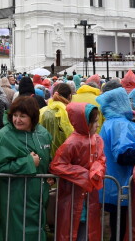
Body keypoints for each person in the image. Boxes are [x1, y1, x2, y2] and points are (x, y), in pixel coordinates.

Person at [96, 87, 135, 241]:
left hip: (116, 186)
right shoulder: (120, 124)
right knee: (123, 229)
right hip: (123, 186)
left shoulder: (112, 122)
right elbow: (123, 155)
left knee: (118, 227)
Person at [0, 96, 53, 241]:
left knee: (38, 228)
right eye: (15, 115)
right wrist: (28, 162)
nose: (17, 120)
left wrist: (50, 173)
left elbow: (47, 158)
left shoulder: (43, 133)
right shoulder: (4, 136)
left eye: (22, 116)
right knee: (16, 233)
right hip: (15, 197)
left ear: (33, 117)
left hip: (38, 195)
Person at [49, 102, 105, 241]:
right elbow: (57, 165)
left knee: (87, 230)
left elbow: (101, 159)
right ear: (85, 123)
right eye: (95, 122)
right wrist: (85, 175)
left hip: (88, 196)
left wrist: (97, 169)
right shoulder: (72, 142)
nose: (97, 125)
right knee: (73, 230)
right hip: (73, 196)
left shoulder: (96, 139)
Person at [40, 82, 75, 157]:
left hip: (44, 155)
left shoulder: (43, 111)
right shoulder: (69, 111)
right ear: (69, 96)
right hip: (64, 157)